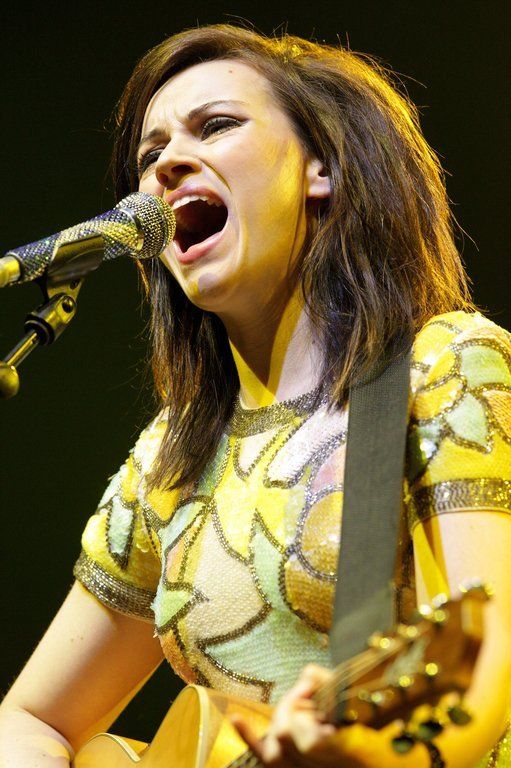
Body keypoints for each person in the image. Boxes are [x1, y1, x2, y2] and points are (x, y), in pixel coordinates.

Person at [1, 24, 510, 768]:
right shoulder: (168, 460)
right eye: (149, 155)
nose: (167, 163)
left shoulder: (442, 365)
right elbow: (30, 720)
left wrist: (358, 752)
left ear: (321, 170)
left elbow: (485, 668)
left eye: (215, 126)